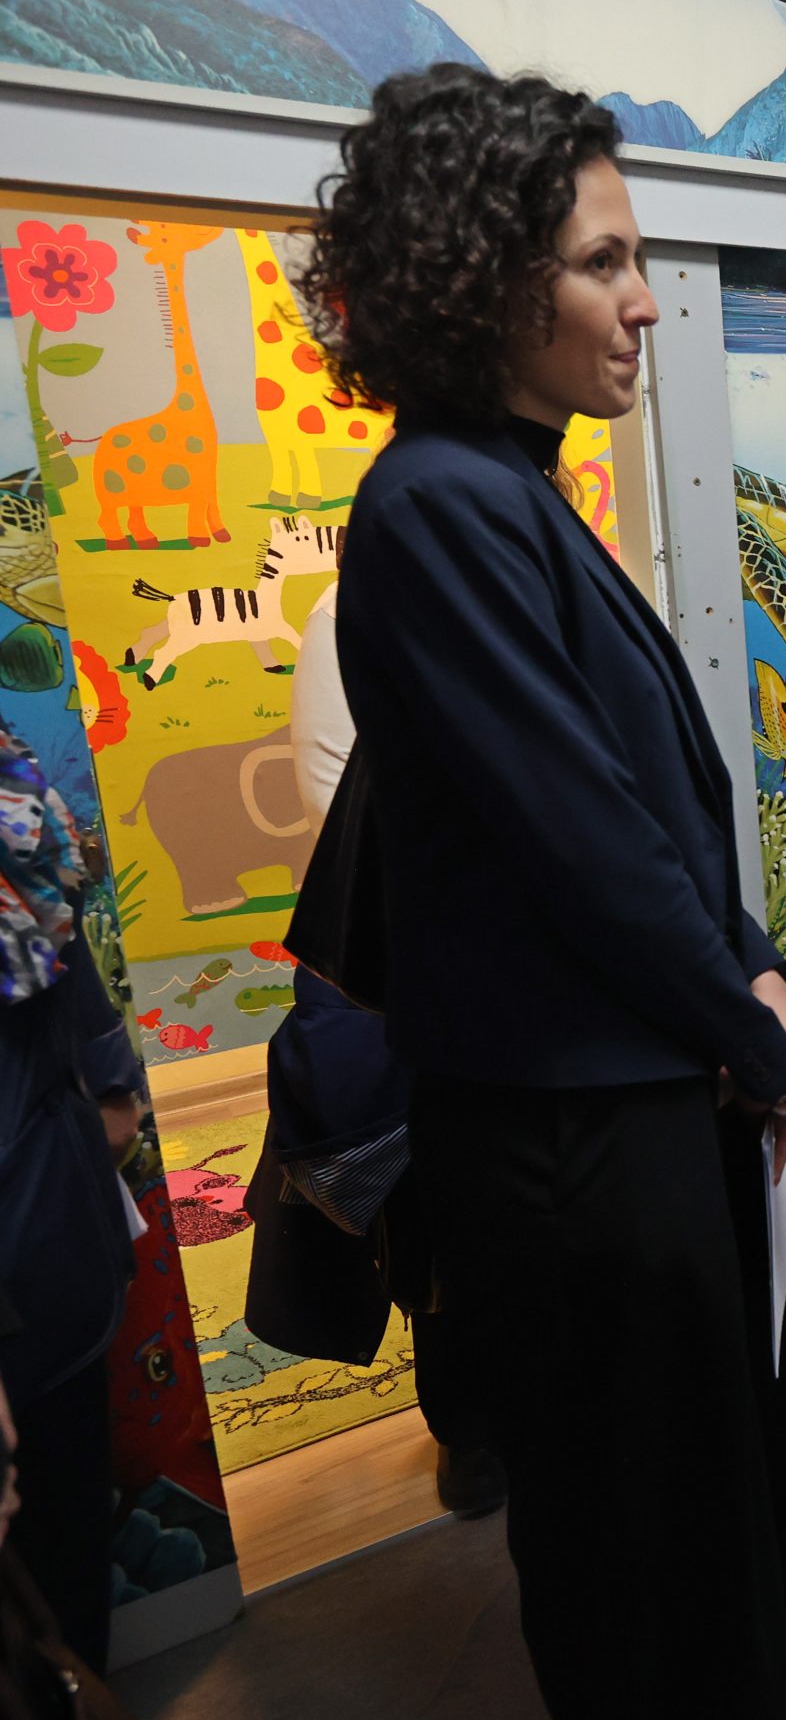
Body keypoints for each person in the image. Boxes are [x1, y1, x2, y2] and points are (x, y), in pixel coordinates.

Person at [301, 66, 786, 1720]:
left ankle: (777, 1670)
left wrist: (753, 968)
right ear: (482, 280)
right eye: (605, 261)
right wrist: (756, 1026)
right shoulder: (438, 504)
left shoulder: (510, 486)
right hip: (565, 1127)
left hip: (638, 1082)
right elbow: (580, 837)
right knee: (629, 1513)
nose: (645, 299)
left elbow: (647, 809)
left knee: (723, 1440)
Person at [239, 580, 505, 1520]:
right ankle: (467, 1425)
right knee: (441, 1209)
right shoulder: (350, 613)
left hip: (534, 965)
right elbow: (337, 805)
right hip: (423, 962)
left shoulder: (534, 587)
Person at [0, 712, 144, 1676]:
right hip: (40, 1239)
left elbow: (63, 955)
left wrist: (106, 1092)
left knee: (61, 1544)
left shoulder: (18, 814)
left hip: (52, 1242)